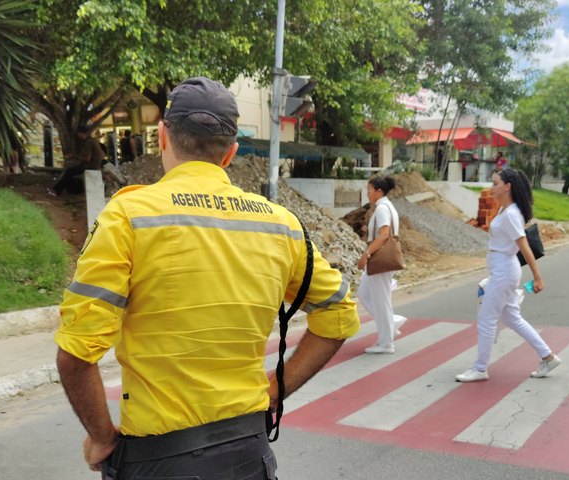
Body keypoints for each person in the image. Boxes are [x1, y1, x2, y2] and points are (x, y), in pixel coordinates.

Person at [54, 76, 360, 479]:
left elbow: (76, 356)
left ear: (163, 136)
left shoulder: (129, 217)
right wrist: (275, 390)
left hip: (159, 461)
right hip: (250, 456)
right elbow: (339, 314)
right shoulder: (280, 225)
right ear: (230, 153)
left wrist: (101, 438)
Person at [456, 168, 561, 382]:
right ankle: (548, 357)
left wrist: (538, 276)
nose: (491, 188)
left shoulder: (511, 214)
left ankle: (480, 368)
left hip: (504, 270)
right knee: (513, 318)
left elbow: (524, 246)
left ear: (507, 186)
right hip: (502, 268)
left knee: (486, 319)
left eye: (495, 183)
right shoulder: (506, 210)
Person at [357, 175, 407, 354]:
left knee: (381, 301)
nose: (367, 193)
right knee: (364, 294)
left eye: (369, 190)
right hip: (381, 259)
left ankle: (386, 343)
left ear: (379, 191)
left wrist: (366, 254)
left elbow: (384, 234)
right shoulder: (385, 206)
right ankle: (391, 323)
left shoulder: (382, 209)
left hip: (380, 259)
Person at [47, 125, 104, 197]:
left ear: (82, 134)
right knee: (70, 172)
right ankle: (58, 189)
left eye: (79, 134)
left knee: (69, 172)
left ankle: (57, 190)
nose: (78, 136)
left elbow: (87, 158)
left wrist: (73, 156)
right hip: (94, 164)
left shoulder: (88, 142)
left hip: (91, 165)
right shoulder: (93, 141)